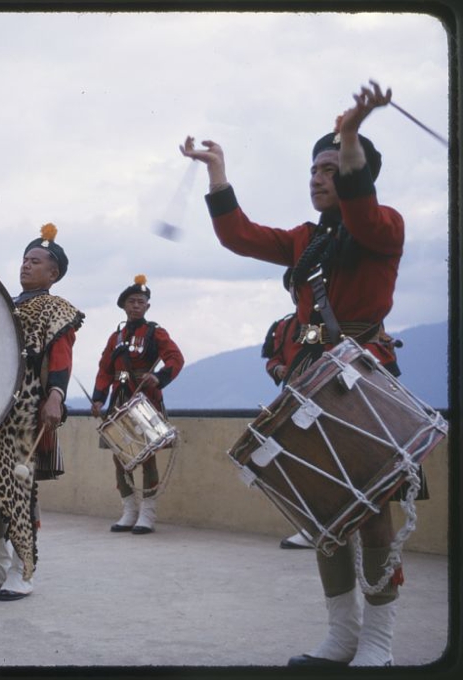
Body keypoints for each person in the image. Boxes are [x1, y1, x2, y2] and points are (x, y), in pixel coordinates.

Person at [181, 80, 421, 666]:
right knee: (325, 517)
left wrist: (349, 134)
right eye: (314, 168)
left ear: (358, 172)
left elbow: (361, 209)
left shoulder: (383, 225)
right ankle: (342, 637)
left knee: (371, 519)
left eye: (331, 168)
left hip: (362, 380)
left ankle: (379, 644)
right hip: (311, 384)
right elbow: (240, 236)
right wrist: (218, 171)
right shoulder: (304, 240)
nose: (318, 177)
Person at [0, 223, 84, 601]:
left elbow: (61, 358)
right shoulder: (5, 305)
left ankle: (23, 570)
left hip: (24, 411)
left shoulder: (57, 310)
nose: (26, 266)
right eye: (24, 259)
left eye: (36, 261)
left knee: (14, 492)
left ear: (52, 273)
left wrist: (55, 395)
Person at [91, 274, 184, 534]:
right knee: (120, 458)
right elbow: (104, 369)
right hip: (119, 400)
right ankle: (129, 511)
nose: (136, 306)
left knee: (147, 458)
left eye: (141, 302)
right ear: (124, 306)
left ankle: (148, 514)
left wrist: (160, 377)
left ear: (147, 306)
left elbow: (175, 358)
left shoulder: (155, 332)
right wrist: (99, 398)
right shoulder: (115, 337)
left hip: (144, 399)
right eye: (132, 301)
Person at [259, 304, 314, 549]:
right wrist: (277, 368)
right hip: (293, 398)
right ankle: (312, 525)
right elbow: (275, 358)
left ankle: (317, 526)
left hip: (317, 397)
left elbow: (316, 355)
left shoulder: (320, 320)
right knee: (299, 461)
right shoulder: (286, 325)